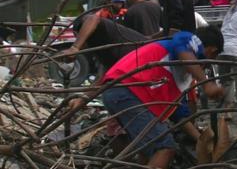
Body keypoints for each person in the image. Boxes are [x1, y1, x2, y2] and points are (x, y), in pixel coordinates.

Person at [69, 26, 224, 169]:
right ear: (211, 50)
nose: (206, 65)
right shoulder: (185, 39)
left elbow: (178, 113)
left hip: (121, 94)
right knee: (164, 147)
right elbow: (184, 50)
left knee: (147, 148)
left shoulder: (183, 74)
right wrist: (207, 84)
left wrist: (201, 140)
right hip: (128, 94)